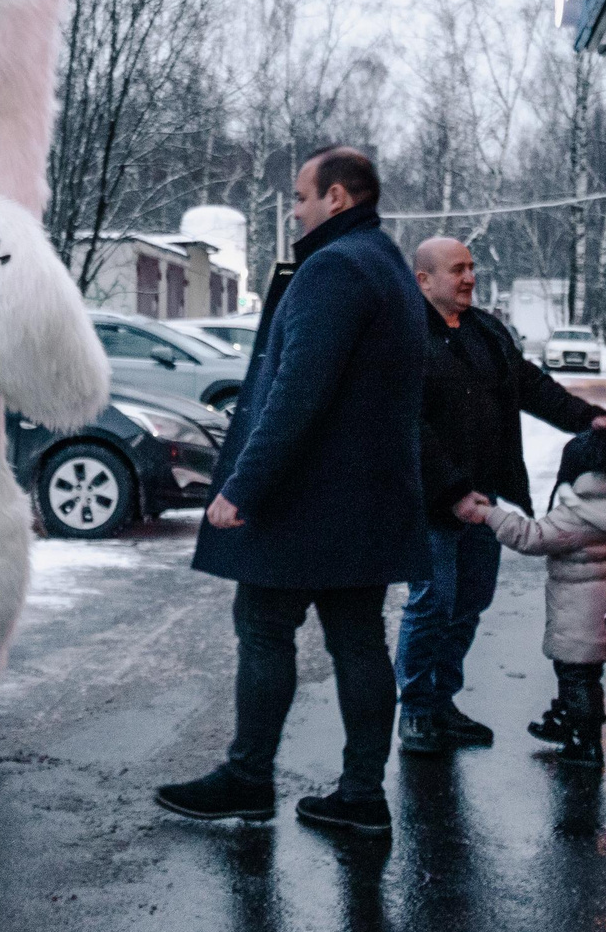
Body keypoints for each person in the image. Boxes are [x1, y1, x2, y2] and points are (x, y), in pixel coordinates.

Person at [155, 146, 427, 838]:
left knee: (265, 629)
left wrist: (245, 485)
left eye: (303, 196)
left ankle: (248, 779)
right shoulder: (385, 261)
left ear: (337, 197)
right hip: (365, 499)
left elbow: (296, 391)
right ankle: (361, 792)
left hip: (307, 500)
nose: (296, 208)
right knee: (360, 640)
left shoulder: (333, 267)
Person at [396, 236, 606, 757]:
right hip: (432, 500)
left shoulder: (485, 332)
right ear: (424, 280)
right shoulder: (405, 338)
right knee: (433, 601)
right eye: (458, 269)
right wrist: (452, 489)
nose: (470, 277)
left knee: (471, 601)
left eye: (472, 267)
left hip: (484, 499)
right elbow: (408, 424)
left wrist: (587, 418)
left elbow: (531, 385)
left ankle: (443, 702)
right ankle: (416, 711)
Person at [462, 425, 606, 768]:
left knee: (576, 674)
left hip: (578, 610)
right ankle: (566, 721)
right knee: (582, 673)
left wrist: (489, 514)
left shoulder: (579, 513)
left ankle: (585, 742)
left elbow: (530, 537)